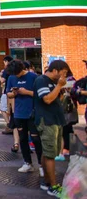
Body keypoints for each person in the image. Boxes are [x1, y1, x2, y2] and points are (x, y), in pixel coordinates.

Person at [34, 60, 70, 197]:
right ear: (56, 70)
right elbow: (47, 99)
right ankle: (53, 186)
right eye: (64, 73)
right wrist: (59, 86)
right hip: (47, 121)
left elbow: (54, 100)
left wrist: (60, 89)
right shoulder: (41, 80)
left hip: (55, 120)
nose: (64, 76)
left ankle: (47, 181)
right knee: (49, 155)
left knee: (48, 152)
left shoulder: (53, 83)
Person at [6, 60, 43, 175]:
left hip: (32, 112)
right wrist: (14, 93)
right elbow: (8, 94)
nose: (15, 75)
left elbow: (40, 94)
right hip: (18, 113)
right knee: (22, 139)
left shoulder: (33, 77)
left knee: (36, 139)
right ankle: (27, 163)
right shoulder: (11, 78)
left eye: (17, 73)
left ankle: (42, 165)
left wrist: (26, 92)